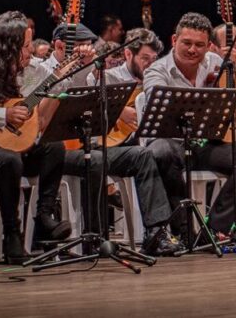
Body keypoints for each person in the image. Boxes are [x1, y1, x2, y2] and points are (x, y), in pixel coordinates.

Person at [0, 11, 72, 262]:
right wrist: (1, 115)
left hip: (14, 146)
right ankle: (12, 233)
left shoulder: (29, 70)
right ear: (10, 48)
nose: (30, 53)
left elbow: (57, 86)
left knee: (54, 148)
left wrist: (67, 70)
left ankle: (44, 217)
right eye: (26, 46)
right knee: (9, 160)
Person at [141, 12, 236, 240]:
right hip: (171, 143)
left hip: (204, 144)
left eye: (199, 45)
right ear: (174, 41)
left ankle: (213, 228)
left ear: (209, 46)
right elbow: (156, 100)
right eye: (186, 43)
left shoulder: (216, 63)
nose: (192, 50)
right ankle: (183, 230)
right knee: (160, 152)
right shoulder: (157, 70)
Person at [64, 27, 184, 255]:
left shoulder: (156, 78)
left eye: (153, 59)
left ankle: (156, 233)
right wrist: (118, 112)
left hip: (129, 147)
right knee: (97, 159)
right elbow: (86, 96)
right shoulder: (109, 77)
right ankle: (95, 240)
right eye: (144, 58)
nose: (150, 64)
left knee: (146, 155)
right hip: (98, 146)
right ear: (128, 54)